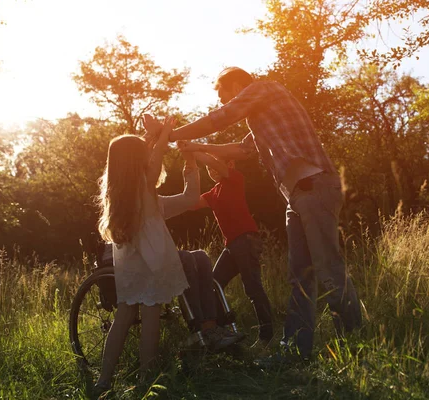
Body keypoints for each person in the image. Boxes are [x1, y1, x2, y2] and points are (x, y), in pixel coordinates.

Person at [143, 66, 362, 362]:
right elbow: (242, 150)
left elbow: (220, 119)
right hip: (297, 197)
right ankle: (295, 352)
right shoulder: (261, 119)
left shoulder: (264, 89)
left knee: (329, 271)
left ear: (235, 85)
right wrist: (194, 146)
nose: (221, 100)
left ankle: (357, 348)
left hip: (315, 187)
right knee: (300, 278)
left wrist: (167, 134)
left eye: (221, 93)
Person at [94, 118, 239, 392]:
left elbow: (187, 198)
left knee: (122, 318)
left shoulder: (121, 199)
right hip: (154, 262)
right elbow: (157, 158)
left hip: (129, 267)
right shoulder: (146, 191)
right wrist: (162, 135)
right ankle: (145, 381)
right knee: (150, 319)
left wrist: (187, 162)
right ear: (140, 162)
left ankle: (103, 380)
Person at [183, 149, 273, 347]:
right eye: (208, 168)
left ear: (230, 164)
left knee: (252, 287)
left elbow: (215, 163)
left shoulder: (235, 179)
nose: (211, 170)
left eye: (213, 166)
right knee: (214, 284)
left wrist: (193, 147)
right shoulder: (213, 192)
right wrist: (189, 164)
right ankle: (222, 331)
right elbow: (189, 203)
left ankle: (267, 335)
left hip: (246, 239)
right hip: (232, 245)